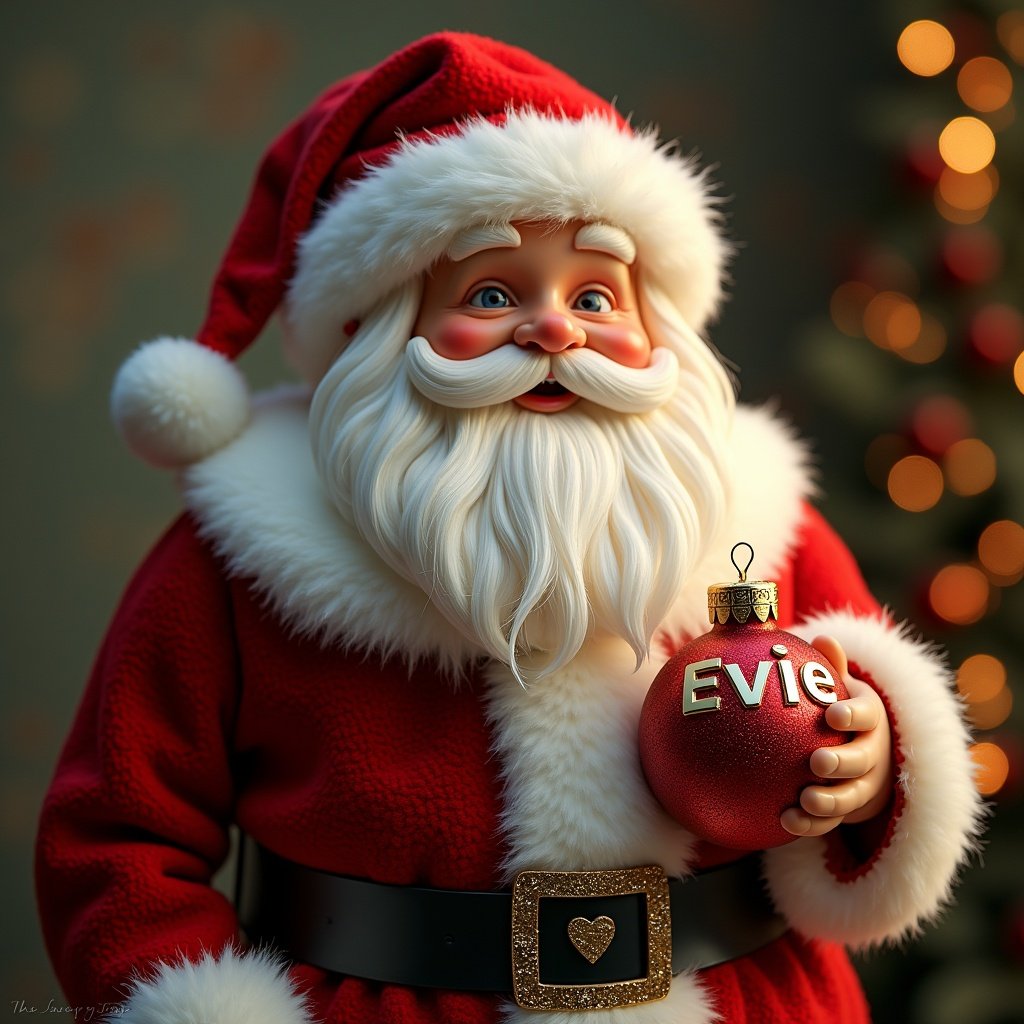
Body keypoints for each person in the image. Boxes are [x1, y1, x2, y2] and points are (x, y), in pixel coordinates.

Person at [35, 32, 982, 1024]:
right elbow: (115, 834)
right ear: (386, 324)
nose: (554, 331)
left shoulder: (752, 507)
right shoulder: (245, 548)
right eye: (491, 292)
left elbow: (860, 693)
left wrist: (870, 761)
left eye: (592, 295)